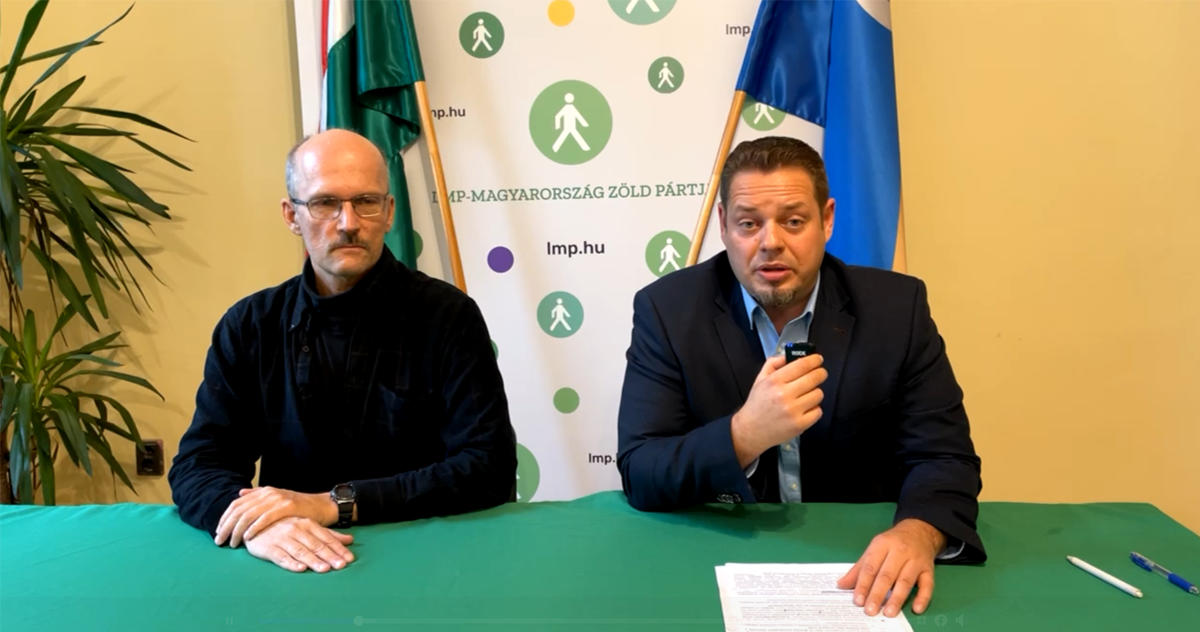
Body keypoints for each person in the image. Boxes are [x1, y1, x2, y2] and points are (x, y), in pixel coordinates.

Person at [617, 136, 985, 618]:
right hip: (723, 559)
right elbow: (642, 469)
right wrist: (743, 436)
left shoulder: (897, 309)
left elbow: (944, 456)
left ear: (826, 220)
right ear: (723, 225)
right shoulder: (667, 310)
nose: (771, 242)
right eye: (748, 223)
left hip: (858, 566)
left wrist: (919, 531)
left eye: (793, 221)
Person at [169, 129, 517, 573]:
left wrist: (332, 504)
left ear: (389, 212)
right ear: (292, 215)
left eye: (366, 202)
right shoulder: (249, 325)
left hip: (425, 562)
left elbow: (488, 467)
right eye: (325, 203)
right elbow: (199, 464)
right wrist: (259, 526)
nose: (348, 222)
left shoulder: (448, 316)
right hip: (288, 564)